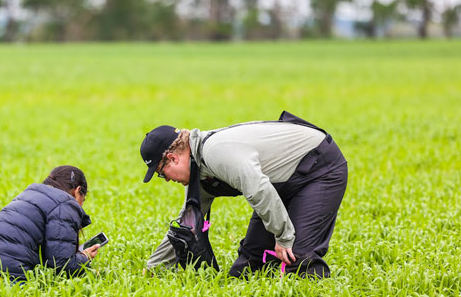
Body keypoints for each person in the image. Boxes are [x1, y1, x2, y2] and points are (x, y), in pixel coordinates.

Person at [140, 111, 348, 278]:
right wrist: (153, 268)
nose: (167, 179)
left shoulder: (215, 152)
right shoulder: (197, 171)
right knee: (247, 267)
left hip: (318, 168)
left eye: (161, 173)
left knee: (298, 258)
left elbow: (259, 190)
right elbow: (186, 226)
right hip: (279, 184)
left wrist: (284, 238)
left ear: (173, 158)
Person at [0, 165, 101, 282]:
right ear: (78, 191)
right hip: (7, 276)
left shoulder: (28, 195)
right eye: (84, 198)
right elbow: (61, 265)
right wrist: (84, 258)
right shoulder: (65, 203)